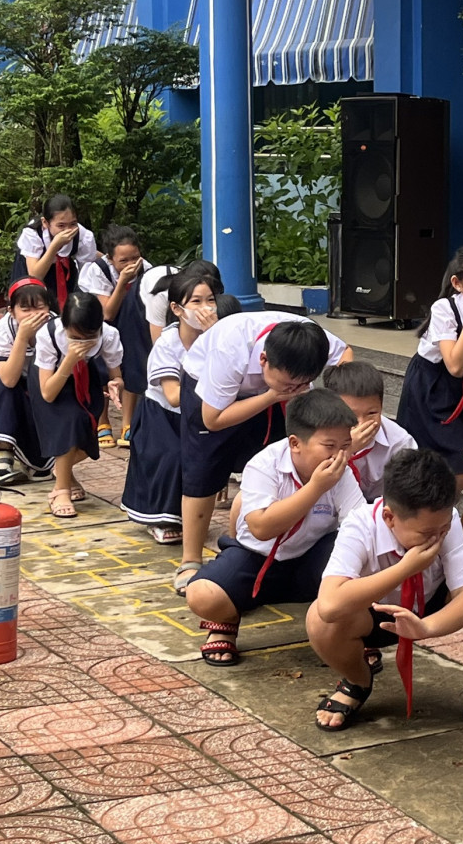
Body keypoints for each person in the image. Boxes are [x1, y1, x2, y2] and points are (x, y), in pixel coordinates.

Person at [308, 448, 463, 733]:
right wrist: (405, 568)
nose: (438, 537)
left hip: (430, 605)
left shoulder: (444, 521)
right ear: (390, 518)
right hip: (375, 615)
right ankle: (357, 681)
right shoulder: (360, 525)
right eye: (427, 533)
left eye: (442, 529)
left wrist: (425, 628)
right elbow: (329, 604)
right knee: (319, 620)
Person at [184, 389, 366, 666]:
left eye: (345, 445)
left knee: (362, 557)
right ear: (295, 443)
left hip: (311, 558)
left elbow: (359, 525)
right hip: (257, 556)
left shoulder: (342, 472)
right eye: (329, 446)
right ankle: (227, 621)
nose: (339, 455)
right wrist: (316, 488)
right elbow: (261, 528)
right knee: (202, 594)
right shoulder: (264, 464)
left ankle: (351, 634)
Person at [179, 312, 352, 566]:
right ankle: (190, 559)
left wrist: (334, 404)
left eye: (302, 384)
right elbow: (213, 419)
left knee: (277, 465)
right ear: (263, 360)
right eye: (289, 383)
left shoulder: (311, 339)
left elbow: (345, 353)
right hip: (212, 398)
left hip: (272, 395)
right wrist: (273, 396)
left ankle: (246, 544)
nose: (295, 389)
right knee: (204, 470)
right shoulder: (231, 347)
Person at [396, 243, 463, 544]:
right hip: (434, 388)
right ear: (458, 283)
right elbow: (455, 365)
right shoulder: (445, 308)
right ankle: (417, 512)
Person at [123, 270, 222, 561]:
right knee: (170, 459)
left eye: (210, 300)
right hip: (162, 414)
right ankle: (161, 517)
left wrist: (216, 339)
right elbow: (174, 396)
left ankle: (190, 516)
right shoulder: (168, 344)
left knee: (204, 462)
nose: (206, 308)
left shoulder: (220, 335)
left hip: (198, 411)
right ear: (177, 309)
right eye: (196, 302)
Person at [30, 291, 124, 519]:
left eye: (88, 337)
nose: (81, 343)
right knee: (69, 424)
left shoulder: (108, 335)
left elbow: (116, 374)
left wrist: (115, 384)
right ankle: (60, 491)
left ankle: (62, 472)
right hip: (52, 379)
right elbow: (48, 393)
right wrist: (70, 359)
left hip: (86, 379)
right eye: (75, 337)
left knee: (86, 438)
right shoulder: (49, 334)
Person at [80, 224, 153, 447]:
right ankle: (103, 422)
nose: (132, 264)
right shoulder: (97, 271)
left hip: (132, 323)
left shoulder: (147, 269)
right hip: (98, 324)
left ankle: (128, 424)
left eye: (135, 258)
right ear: (111, 259)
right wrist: (122, 281)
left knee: (132, 363)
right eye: (124, 261)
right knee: (102, 368)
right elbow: (107, 313)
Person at [0, 279, 55, 487]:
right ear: (11, 312)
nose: (33, 315)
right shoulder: (3, 331)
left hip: (38, 374)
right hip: (5, 372)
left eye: (40, 307)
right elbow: (9, 379)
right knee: (7, 391)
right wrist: (22, 337)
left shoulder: (56, 327)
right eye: (25, 309)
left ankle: (39, 456)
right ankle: (4, 450)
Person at [323, 360, 417, 504]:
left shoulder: (399, 442)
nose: (362, 423)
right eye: (351, 415)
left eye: (372, 413)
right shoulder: (317, 433)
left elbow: (408, 493)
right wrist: (348, 449)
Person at [11, 194, 99, 307]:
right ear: (45, 223)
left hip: (63, 271)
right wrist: (55, 246)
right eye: (61, 226)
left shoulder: (83, 235)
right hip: (32, 269)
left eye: (73, 224)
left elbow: (86, 273)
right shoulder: (33, 234)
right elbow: (34, 276)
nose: (68, 231)